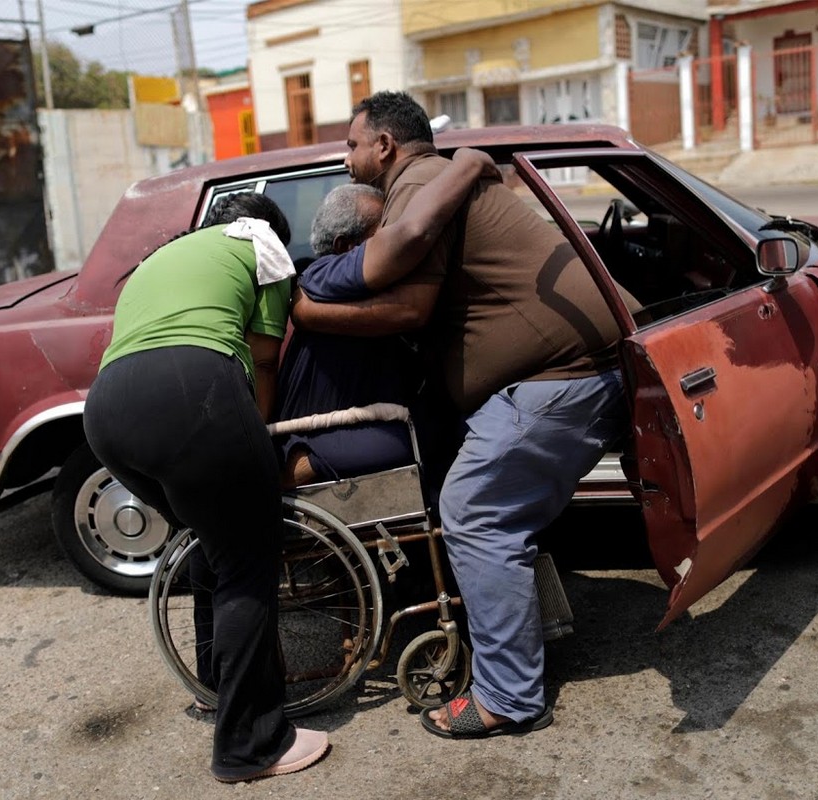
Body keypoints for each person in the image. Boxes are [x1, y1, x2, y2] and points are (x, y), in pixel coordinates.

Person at [292, 91, 634, 739]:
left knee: (474, 513)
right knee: (485, 504)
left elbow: (412, 307)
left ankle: (508, 697)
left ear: (385, 147)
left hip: (556, 379)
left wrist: (304, 311)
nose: (345, 157)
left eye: (350, 144)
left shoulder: (417, 186)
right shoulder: (433, 179)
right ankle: (526, 634)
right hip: (571, 371)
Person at [82, 192, 330, 783]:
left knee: (209, 544)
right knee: (248, 560)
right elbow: (264, 361)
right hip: (193, 391)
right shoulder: (262, 247)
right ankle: (250, 746)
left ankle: (214, 687)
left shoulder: (162, 258)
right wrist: (259, 445)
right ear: (268, 229)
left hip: (106, 412)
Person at [274, 150, 499, 487]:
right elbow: (410, 251)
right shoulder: (323, 274)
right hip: (318, 437)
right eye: (383, 232)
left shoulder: (346, 289)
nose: (391, 243)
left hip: (362, 424)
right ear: (345, 246)